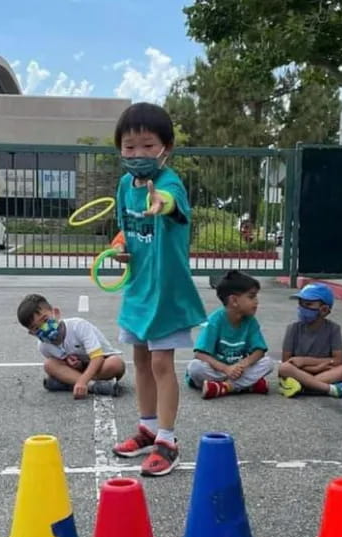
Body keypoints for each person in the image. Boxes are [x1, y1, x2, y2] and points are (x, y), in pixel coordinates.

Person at [109, 101, 207, 477]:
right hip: (137, 290)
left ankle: (168, 441)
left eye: (148, 145)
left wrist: (159, 202)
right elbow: (124, 230)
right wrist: (120, 247)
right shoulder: (123, 185)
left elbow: (169, 205)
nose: (138, 154)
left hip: (166, 293)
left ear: (167, 147)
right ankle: (147, 428)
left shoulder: (169, 184)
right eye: (130, 147)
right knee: (139, 361)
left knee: (163, 363)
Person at [16, 293, 125, 398]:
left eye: (45, 320)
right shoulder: (43, 346)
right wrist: (74, 364)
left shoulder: (77, 326)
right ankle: (94, 386)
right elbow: (61, 363)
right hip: (81, 370)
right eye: (36, 328)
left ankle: (69, 384)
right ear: (32, 333)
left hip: (101, 363)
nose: (44, 328)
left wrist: (82, 381)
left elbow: (98, 357)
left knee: (115, 363)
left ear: (56, 313)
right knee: (49, 365)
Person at [186, 270, 273, 399]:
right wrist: (226, 369)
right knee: (195, 368)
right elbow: (200, 354)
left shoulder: (250, 321)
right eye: (251, 296)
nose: (256, 301)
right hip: (217, 370)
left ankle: (223, 387)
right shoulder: (215, 321)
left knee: (268, 363)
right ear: (234, 300)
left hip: (238, 371)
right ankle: (246, 385)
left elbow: (259, 351)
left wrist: (242, 364)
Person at [277, 283, 342, 399]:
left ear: (324, 310)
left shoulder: (333, 329)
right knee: (284, 368)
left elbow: (338, 361)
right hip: (299, 372)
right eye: (300, 303)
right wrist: (319, 365)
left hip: (323, 373)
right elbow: (287, 362)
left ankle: (302, 388)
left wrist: (305, 361)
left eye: (308, 304)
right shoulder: (293, 329)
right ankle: (331, 389)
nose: (302, 308)